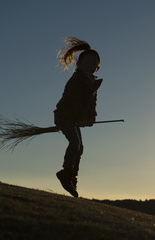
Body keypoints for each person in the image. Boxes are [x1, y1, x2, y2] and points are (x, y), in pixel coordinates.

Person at [54, 37, 102, 197]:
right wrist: (82, 118)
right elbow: (74, 102)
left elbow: (91, 105)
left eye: (93, 64)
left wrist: (91, 118)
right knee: (75, 142)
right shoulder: (75, 81)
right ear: (79, 65)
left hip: (74, 118)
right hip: (63, 116)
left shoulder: (92, 84)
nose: (90, 66)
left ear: (97, 68)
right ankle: (65, 173)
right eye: (87, 63)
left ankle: (72, 179)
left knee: (80, 148)